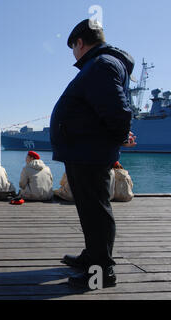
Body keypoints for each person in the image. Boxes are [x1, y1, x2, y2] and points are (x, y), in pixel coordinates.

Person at [50, 19, 137, 289]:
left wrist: (121, 135)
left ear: (79, 42)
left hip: (89, 151)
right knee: (90, 210)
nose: (73, 54)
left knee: (96, 211)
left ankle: (101, 273)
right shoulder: (101, 64)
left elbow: (118, 110)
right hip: (83, 150)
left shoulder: (101, 65)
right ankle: (92, 256)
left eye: (72, 48)